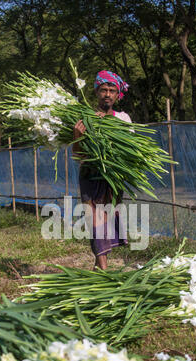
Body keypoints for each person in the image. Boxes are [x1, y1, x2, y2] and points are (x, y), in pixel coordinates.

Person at [73, 70, 131, 270]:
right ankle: (104, 270)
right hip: (90, 176)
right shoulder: (84, 118)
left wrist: (105, 123)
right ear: (97, 92)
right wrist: (77, 136)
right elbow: (77, 155)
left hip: (113, 177)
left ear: (117, 94)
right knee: (95, 222)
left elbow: (129, 149)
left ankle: (99, 267)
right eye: (103, 90)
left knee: (108, 219)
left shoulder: (123, 119)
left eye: (112, 90)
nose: (107, 94)